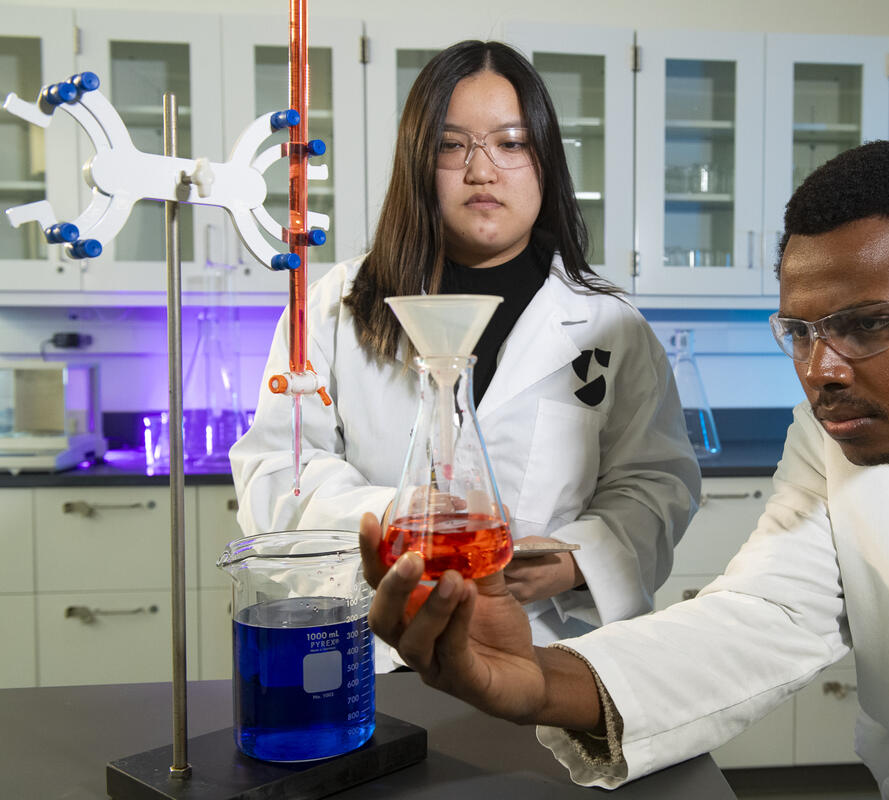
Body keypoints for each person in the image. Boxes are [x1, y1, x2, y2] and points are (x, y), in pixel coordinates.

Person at [359, 140, 889, 797]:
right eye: (799, 331)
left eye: (869, 323)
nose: (821, 369)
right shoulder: (834, 438)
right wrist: (537, 681)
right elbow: (757, 617)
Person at [230, 40, 701, 666]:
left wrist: (576, 558)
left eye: (510, 143)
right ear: (418, 161)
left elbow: (656, 481)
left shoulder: (611, 325)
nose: (482, 170)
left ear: (546, 162)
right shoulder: (335, 305)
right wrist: (399, 522)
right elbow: (276, 472)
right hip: (378, 655)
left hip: (548, 654)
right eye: (452, 145)